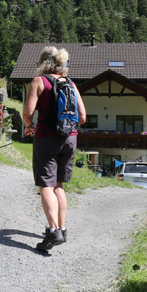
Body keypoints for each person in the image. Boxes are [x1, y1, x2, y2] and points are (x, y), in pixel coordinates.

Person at [22, 46, 86, 252]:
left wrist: (29, 126)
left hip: (47, 139)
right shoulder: (71, 84)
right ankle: (62, 228)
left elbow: (27, 113)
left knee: (46, 185)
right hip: (70, 139)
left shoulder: (39, 82)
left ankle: (53, 231)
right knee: (59, 185)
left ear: (43, 63)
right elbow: (83, 117)